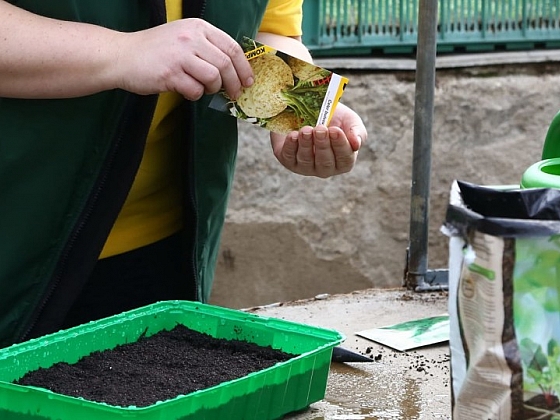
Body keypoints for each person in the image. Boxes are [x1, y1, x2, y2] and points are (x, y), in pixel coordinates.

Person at [0, 0, 367, 348]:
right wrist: (122, 53)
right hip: (17, 246)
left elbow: (270, 29)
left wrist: (302, 109)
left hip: (166, 248)